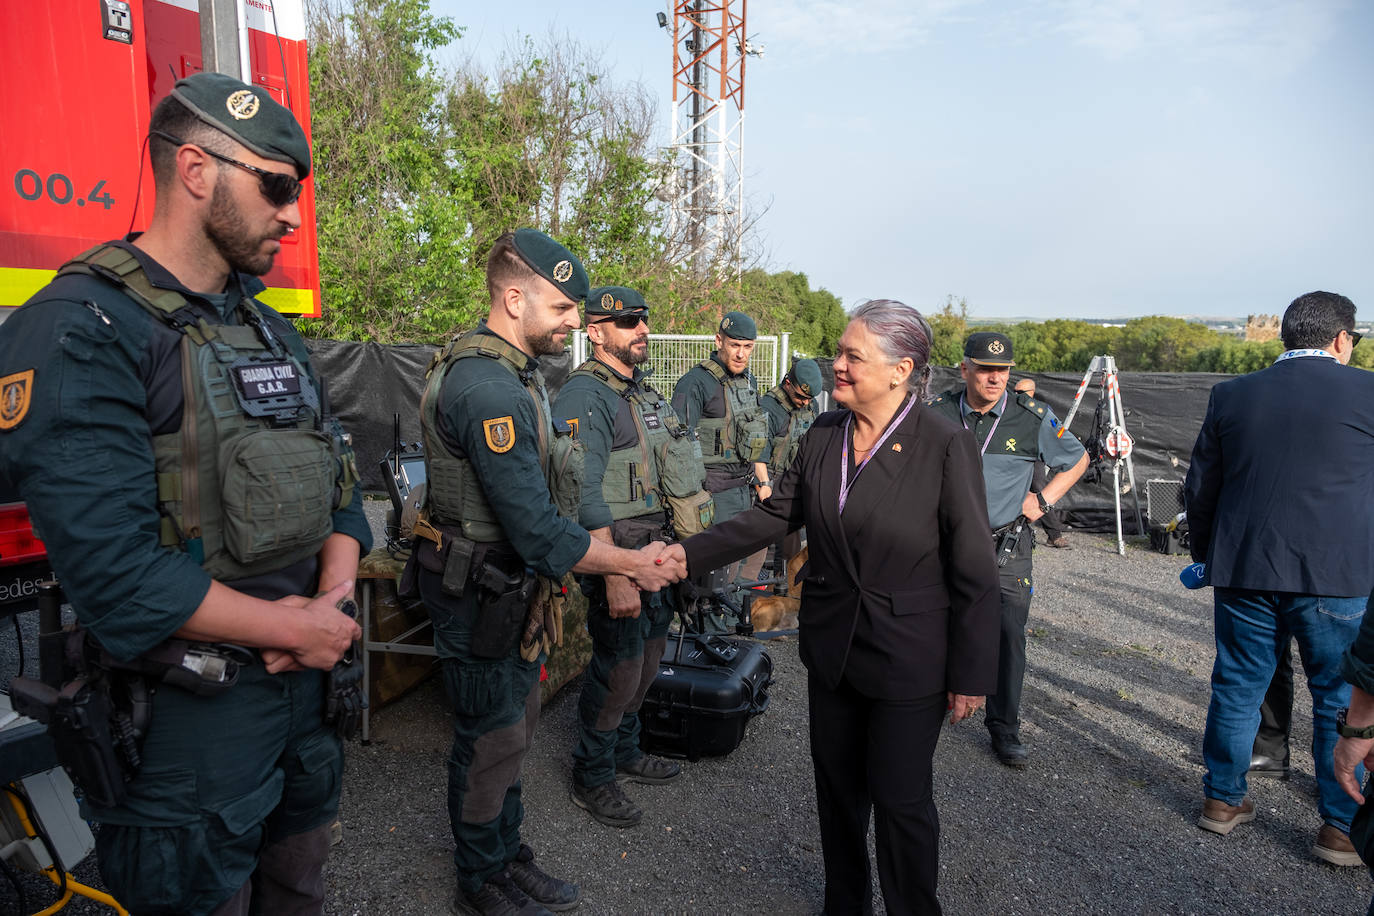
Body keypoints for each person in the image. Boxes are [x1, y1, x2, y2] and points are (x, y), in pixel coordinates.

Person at [0, 72, 370, 915]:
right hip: (190, 719)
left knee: (299, 881)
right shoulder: (82, 327)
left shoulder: (266, 328)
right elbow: (117, 574)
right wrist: (299, 629)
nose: (291, 213)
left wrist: (333, 607)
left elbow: (341, 494)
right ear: (197, 170)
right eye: (276, 186)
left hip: (308, 689)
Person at [664, 299, 1000, 914]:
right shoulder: (824, 434)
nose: (836, 366)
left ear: (901, 371)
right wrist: (685, 555)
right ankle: (845, 904)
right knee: (838, 794)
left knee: (900, 801)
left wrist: (974, 674)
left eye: (852, 356)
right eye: (838, 353)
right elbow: (772, 516)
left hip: (908, 657)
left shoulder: (945, 444)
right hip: (833, 651)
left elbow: (975, 569)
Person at [406, 231, 684, 915]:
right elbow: (534, 529)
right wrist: (628, 562)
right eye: (562, 308)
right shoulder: (487, 388)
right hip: (480, 593)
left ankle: (505, 854)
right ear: (512, 297)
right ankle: (480, 877)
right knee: (490, 736)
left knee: (514, 728)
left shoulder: (517, 375)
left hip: (508, 590)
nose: (573, 323)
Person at [1185, 290, 1374, 866]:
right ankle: (1340, 828)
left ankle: (1222, 800)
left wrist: (1208, 556)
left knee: (1238, 684)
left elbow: (1201, 488)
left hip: (1245, 570)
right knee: (1337, 695)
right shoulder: (1368, 392)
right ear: (1342, 339)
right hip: (1337, 575)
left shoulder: (1232, 394)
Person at [554, 285, 706, 828]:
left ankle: (624, 748)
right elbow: (581, 493)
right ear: (595, 332)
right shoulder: (584, 396)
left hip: (656, 552)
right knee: (618, 666)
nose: (642, 329)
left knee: (648, 659)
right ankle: (592, 774)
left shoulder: (638, 391)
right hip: (619, 553)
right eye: (628, 323)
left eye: (643, 320)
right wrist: (616, 572)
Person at [927, 333, 1088, 768]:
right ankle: (932, 705)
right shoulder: (937, 413)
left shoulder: (1029, 416)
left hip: (1004, 545)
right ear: (965, 370)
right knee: (933, 622)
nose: (995, 377)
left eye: (1002, 370)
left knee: (1007, 635)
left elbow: (1077, 459)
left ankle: (1004, 728)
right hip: (942, 543)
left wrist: (1042, 501)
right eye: (985, 368)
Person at [670, 311, 771, 629]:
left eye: (748, 347)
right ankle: (706, 636)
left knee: (736, 570)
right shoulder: (696, 382)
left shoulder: (748, 381)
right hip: (712, 493)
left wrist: (763, 483)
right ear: (719, 341)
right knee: (711, 575)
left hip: (743, 490)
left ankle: (725, 630)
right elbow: (676, 444)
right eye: (735, 345)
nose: (741, 353)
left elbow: (755, 435)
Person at [1012, 378, 1071, 549]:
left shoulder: (1042, 410)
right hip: (1013, 454)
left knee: (1039, 491)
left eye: (1020, 393)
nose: (1016, 395)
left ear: (1031, 392)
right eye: (1015, 392)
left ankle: (1054, 535)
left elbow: (1053, 430)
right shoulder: (1009, 407)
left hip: (1034, 455)